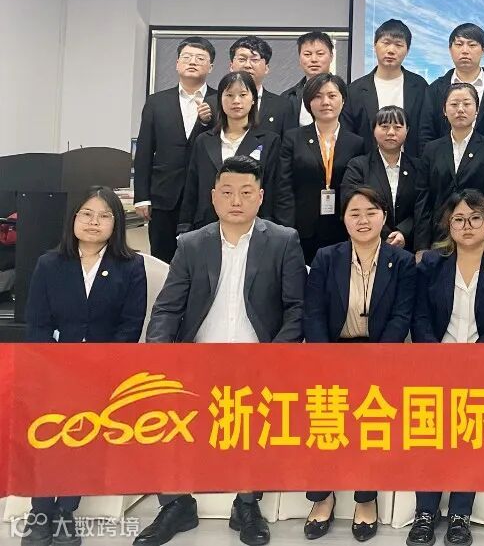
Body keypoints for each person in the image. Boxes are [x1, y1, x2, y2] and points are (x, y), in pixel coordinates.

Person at [135, 156, 305, 546]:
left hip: (256, 359)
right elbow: (167, 308)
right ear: (213, 197)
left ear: (260, 197)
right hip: (197, 358)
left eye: (246, 192)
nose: (236, 200)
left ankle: (246, 505)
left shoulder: (283, 241)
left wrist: (275, 356)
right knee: (162, 415)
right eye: (227, 192)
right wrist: (157, 357)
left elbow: (296, 308)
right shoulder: (192, 244)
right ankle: (176, 504)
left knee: (252, 426)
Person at [22, 187, 147, 546]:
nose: (94, 222)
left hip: (102, 373)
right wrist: (56, 365)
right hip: (52, 370)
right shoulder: (49, 264)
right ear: (73, 218)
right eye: (87, 214)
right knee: (48, 438)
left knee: (81, 439)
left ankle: (66, 510)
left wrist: (98, 368)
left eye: (104, 216)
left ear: (116, 224)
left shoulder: (130, 266)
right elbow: (37, 323)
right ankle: (40, 511)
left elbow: (130, 325)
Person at [302, 186, 416, 541]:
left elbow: (401, 316)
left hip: (380, 354)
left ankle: (365, 498)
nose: (363, 220)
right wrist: (325, 359)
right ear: (344, 220)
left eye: (371, 212)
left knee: (371, 420)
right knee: (325, 416)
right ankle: (322, 496)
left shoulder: (402, 262)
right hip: (332, 351)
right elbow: (313, 313)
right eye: (354, 213)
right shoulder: (327, 257)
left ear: (384, 216)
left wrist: (376, 360)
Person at [408, 191, 484, 546]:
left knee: (470, 435)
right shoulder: (432, 263)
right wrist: (436, 357)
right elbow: (419, 317)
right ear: (449, 225)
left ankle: (460, 514)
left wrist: (477, 359)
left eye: (475, 218)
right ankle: (425, 513)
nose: (467, 226)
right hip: (436, 363)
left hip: (483, 365)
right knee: (431, 435)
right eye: (459, 219)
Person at [134, 36, 217, 261]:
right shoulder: (156, 102)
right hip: (164, 195)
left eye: (200, 58)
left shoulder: (220, 100)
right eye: (187, 57)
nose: (193, 62)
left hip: (205, 195)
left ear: (210, 67)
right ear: (177, 64)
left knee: (203, 259)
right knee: (163, 258)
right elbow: (144, 150)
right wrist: (142, 196)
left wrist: (208, 122)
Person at [276, 73, 368, 264]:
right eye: (317, 96)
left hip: (342, 229)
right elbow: (283, 187)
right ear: (308, 102)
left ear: (343, 100)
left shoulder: (356, 143)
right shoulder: (293, 138)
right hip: (301, 230)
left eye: (332, 96)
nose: (325, 102)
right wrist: (287, 229)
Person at [179, 71, 279, 232]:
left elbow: (274, 188)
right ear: (220, 100)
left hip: (254, 227)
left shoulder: (269, 141)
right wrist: (184, 227)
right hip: (206, 225)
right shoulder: (203, 140)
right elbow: (192, 188)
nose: (236, 101)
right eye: (229, 95)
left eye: (243, 95)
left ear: (253, 99)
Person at [414, 83, 484, 253]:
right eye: (454, 104)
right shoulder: (431, 149)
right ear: (444, 110)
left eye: (466, 103)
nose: (460, 109)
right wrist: (421, 246)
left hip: (480, 237)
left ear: (477, 109)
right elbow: (423, 200)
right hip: (440, 236)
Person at [343, 19, 427, 156]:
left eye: (398, 45)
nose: (391, 50)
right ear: (375, 45)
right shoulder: (355, 90)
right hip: (366, 165)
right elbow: (349, 136)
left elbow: (425, 131)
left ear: (407, 50)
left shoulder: (420, 86)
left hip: (412, 165)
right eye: (386, 43)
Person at [419, 23, 484, 146]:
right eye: (459, 44)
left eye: (472, 45)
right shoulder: (435, 89)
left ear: (483, 50)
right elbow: (425, 133)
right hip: (443, 158)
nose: (465, 51)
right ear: (450, 49)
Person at [341, 105, 418, 250]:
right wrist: (386, 234)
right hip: (367, 242)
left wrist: (403, 232)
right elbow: (350, 204)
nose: (391, 132)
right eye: (384, 127)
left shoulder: (417, 167)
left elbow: (422, 206)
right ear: (374, 130)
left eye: (397, 127)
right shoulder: (358, 166)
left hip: (409, 245)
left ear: (407, 130)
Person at [229, 35, 289, 137]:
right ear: (231, 66)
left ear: (266, 68)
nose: (247, 65)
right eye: (242, 59)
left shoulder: (282, 105)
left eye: (254, 60)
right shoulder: (214, 103)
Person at [283, 31, 336, 130]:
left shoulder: (347, 94)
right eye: (307, 54)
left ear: (331, 56)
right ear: (299, 58)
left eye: (320, 54)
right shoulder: (288, 97)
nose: (314, 59)